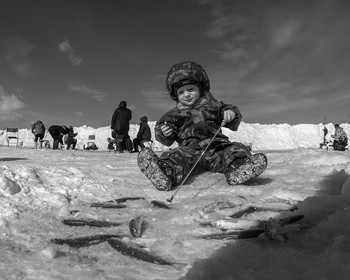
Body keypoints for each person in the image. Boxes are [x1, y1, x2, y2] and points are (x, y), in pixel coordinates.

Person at [137, 60, 267, 191]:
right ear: (175, 95)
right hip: (189, 150)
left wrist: (230, 113)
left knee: (236, 149)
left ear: (200, 89)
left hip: (217, 148)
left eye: (191, 89)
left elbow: (228, 109)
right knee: (175, 157)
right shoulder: (174, 114)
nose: (186, 95)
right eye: (181, 92)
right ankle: (166, 172)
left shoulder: (213, 105)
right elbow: (163, 130)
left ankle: (239, 169)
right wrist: (165, 132)